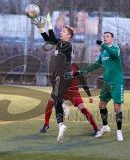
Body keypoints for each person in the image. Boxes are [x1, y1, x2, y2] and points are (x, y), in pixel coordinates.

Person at [33, 13, 74, 142]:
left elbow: (52, 38)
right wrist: (41, 28)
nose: (61, 32)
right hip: (58, 76)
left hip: (63, 76)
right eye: (61, 31)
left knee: (56, 99)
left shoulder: (68, 45)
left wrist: (50, 24)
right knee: (55, 100)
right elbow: (49, 39)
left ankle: (63, 115)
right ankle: (61, 124)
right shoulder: (60, 43)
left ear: (69, 36)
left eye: (64, 31)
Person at [75, 32, 124, 141]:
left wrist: (102, 45)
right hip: (107, 83)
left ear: (112, 39)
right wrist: (80, 72)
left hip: (117, 82)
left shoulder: (116, 48)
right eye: (104, 36)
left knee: (117, 108)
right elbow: (94, 66)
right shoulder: (103, 54)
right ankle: (105, 126)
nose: (105, 38)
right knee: (102, 105)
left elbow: (114, 54)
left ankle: (119, 131)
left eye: (107, 36)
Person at [39, 63, 99, 135]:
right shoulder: (59, 66)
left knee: (83, 109)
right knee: (50, 102)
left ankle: (96, 129)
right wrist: (54, 89)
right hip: (62, 91)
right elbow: (53, 79)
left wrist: (89, 95)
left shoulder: (75, 66)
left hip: (73, 93)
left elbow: (83, 81)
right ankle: (46, 125)